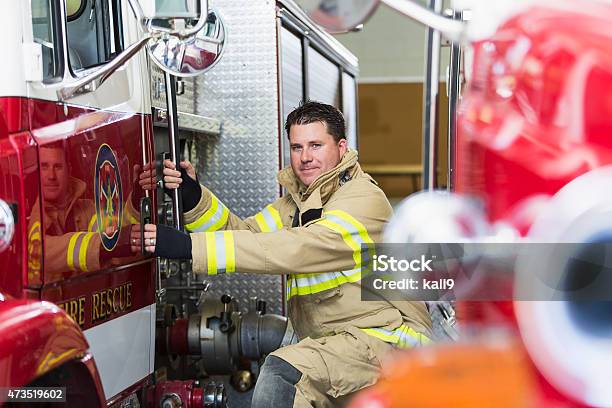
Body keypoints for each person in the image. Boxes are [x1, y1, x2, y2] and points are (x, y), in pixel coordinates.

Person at [142, 101, 432, 407]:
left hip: (387, 340)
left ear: (341, 147)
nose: (305, 157)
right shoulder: (299, 203)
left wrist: (190, 247)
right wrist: (192, 196)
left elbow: (299, 247)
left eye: (316, 145)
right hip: (338, 340)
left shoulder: (362, 200)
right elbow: (243, 234)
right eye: (297, 147)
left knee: (284, 374)